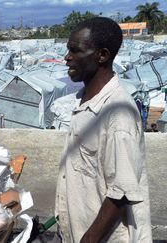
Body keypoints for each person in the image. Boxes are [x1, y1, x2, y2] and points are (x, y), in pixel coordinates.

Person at [55, 17, 152, 242]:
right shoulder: (84, 101)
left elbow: (121, 193)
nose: (67, 57)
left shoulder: (118, 115)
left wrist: (88, 240)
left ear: (102, 55)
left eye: (75, 51)